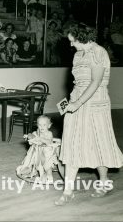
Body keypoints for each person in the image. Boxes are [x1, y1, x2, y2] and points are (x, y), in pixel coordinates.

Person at [55, 23, 123, 206]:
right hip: (76, 101)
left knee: (99, 142)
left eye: (73, 40)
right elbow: (78, 82)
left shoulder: (98, 52)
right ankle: (68, 190)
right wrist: (72, 102)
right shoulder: (77, 54)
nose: (71, 45)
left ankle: (104, 182)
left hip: (95, 103)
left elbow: (95, 82)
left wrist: (78, 103)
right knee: (72, 141)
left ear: (82, 37)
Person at [16, 115, 60, 183]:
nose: (41, 127)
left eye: (44, 125)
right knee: (38, 165)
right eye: (40, 125)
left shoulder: (49, 133)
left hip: (47, 152)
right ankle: (41, 175)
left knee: (47, 165)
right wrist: (28, 136)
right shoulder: (36, 132)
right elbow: (32, 136)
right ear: (37, 125)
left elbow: (49, 141)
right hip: (38, 152)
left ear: (49, 125)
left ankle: (49, 176)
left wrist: (40, 139)